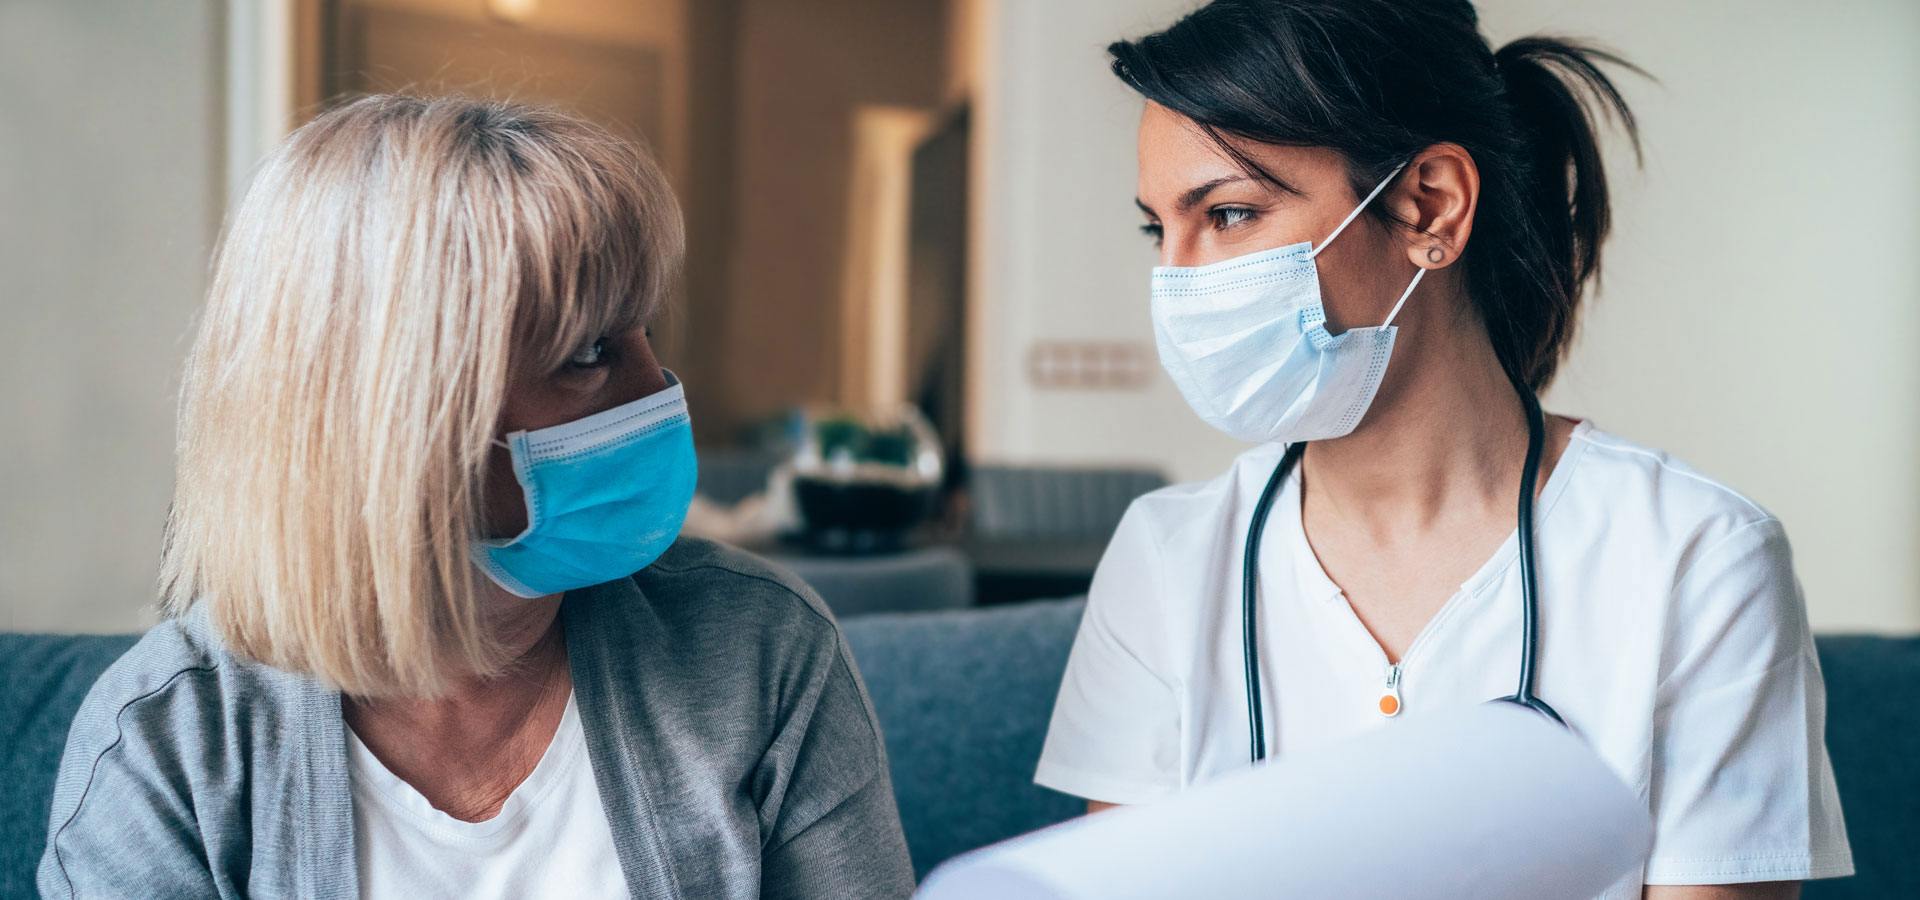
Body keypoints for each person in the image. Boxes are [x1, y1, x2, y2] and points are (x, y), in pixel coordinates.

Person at [1033, 2, 1852, 897]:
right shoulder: (1167, 559)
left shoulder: (1697, 559)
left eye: (1229, 215)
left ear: (1432, 205)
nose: (1179, 284)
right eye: (1161, 230)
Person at [39, 95, 914, 900]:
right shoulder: (167, 743)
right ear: (392, 422)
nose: (657, 393)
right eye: (587, 353)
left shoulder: (761, 653)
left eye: (645, 336)